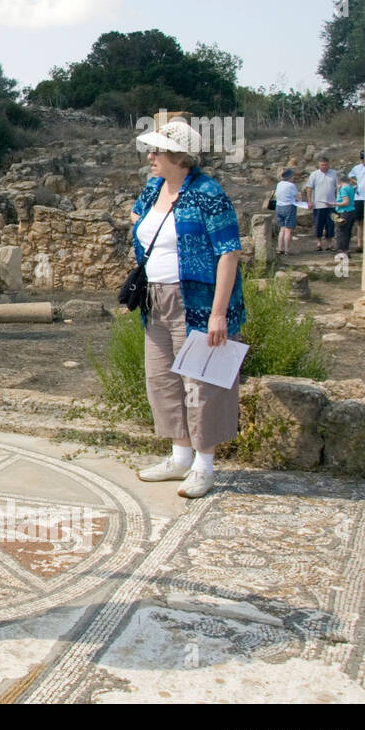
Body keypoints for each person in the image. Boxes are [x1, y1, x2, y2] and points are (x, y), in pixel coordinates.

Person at [130, 120, 245, 500]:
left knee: (200, 383)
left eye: (158, 151)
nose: (150, 156)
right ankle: (179, 456)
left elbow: (229, 252)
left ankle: (204, 465)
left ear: (178, 156)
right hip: (155, 298)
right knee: (161, 378)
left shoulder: (208, 193)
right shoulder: (153, 188)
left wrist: (218, 313)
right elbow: (137, 219)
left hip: (194, 300)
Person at [304, 156, 338, 251]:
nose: (324, 166)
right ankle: (319, 244)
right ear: (319, 165)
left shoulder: (334, 173)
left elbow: (338, 187)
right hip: (318, 204)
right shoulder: (314, 174)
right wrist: (309, 201)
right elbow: (309, 188)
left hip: (331, 204)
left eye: (325, 165)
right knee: (318, 224)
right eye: (322, 165)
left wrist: (338, 201)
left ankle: (330, 244)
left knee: (330, 224)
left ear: (328, 164)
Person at [274, 168, 299, 255]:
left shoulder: (279, 184)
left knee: (282, 229)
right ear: (290, 177)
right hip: (289, 207)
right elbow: (297, 197)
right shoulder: (291, 185)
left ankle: (280, 248)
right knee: (288, 230)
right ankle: (287, 249)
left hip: (279, 207)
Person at [334, 170, 357, 257]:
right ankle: (346, 250)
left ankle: (342, 251)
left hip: (344, 212)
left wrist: (333, 204)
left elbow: (345, 202)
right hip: (351, 211)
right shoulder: (350, 187)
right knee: (347, 232)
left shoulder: (344, 189)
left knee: (341, 232)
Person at [349, 151, 365, 251]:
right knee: (359, 222)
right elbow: (350, 176)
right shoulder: (357, 168)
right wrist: (357, 182)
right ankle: (359, 244)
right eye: (362, 158)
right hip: (359, 197)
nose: (363, 160)